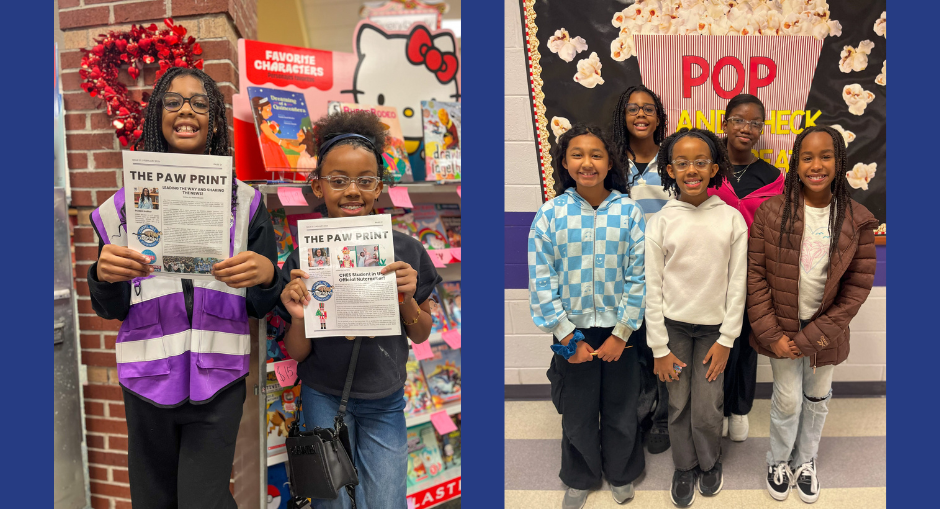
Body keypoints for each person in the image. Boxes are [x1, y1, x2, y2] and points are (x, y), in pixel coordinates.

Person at [87, 67, 282, 509]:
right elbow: (110, 307)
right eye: (173, 102)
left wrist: (268, 274)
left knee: (204, 501)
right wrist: (102, 276)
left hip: (219, 376)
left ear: (214, 118)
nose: (186, 111)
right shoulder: (119, 208)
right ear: (158, 114)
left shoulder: (248, 204)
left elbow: (260, 303)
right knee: (153, 500)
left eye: (199, 102)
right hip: (146, 375)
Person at [278, 109, 441, 509]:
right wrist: (300, 317)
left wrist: (405, 297)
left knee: (387, 499)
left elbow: (421, 333)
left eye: (365, 181)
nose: (353, 190)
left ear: (379, 186)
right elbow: (297, 352)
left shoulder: (406, 249)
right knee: (331, 500)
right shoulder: (302, 256)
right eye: (338, 181)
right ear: (318, 186)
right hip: (323, 393)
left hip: (385, 395)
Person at [748, 126, 878, 504]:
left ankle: (805, 461)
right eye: (807, 157)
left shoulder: (856, 219)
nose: (816, 165)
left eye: (825, 156)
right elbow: (754, 276)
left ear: (839, 163)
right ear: (796, 163)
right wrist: (772, 334)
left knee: (817, 398)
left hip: (826, 334)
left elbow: (856, 290)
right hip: (781, 330)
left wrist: (810, 339)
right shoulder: (773, 212)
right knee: (786, 399)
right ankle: (779, 461)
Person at [529, 124, 646, 509]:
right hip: (573, 334)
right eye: (577, 154)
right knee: (577, 413)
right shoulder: (550, 214)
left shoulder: (628, 211)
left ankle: (622, 472)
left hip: (620, 333)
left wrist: (622, 332)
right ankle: (580, 475)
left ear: (609, 161)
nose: (587, 162)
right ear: (564, 162)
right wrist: (566, 336)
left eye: (596, 154)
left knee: (621, 407)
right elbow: (542, 281)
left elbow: (639, 276)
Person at [645, 128, 747, 507]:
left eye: (700, 162)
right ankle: (684, 465)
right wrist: (658, 346)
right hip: (672, 329)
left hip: (713, 333)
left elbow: (738, 285)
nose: (692, 169)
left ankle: (710, 460)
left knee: (707, 405)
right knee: (677, 402)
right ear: (670, 170)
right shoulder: (660, 223)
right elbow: (651, 289)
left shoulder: (732, 220)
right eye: (683, 162)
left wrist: (726, 339)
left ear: (714, 168)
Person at [707, 94, 785, 442]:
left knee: (744, 346)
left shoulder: (771, 178)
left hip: (752, 274)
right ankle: (714, 408)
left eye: (755, 123)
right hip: (707, 273)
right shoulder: (705, 165)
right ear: (725, 122)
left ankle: (738, 410)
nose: (746, 128)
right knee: (711, 343)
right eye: (739, 119)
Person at [610, 84, 672, 454]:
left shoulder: (673, 158)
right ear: (623, 115)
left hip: (667, 274)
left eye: (649, 108)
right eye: (633, 108)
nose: (641, 115)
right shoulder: (613, 162)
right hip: (624, 277)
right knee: (634, 352)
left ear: (659, 117)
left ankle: (663, 418)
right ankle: (637, 415)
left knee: (663, 347)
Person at [251, 95, 293, 169]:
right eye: (268, 109)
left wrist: (274, 130)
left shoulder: (260, 122)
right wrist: (281, 142)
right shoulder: (262, 123)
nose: (270, 113)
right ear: (259, 108)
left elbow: (268, 134)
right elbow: (269, 135)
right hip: (268, 150)